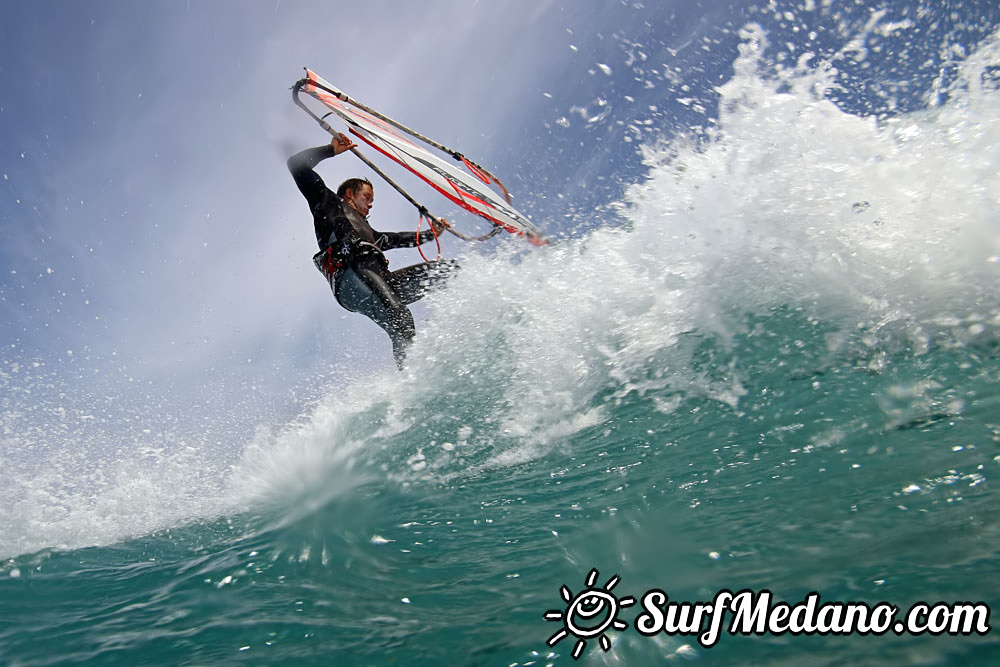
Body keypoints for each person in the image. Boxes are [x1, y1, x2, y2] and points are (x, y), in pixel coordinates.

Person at [287, 132, 457, 369]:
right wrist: (330, 149)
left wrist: (431, 234)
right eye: (367, 196)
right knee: (401, 316)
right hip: (351, 276)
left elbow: (396, 239)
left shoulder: (369, 233)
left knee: (446, 272)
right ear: (349, 194)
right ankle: (411, 383)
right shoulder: (326, 203)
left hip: (377, 278)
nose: (371, 203)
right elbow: (296, 164)